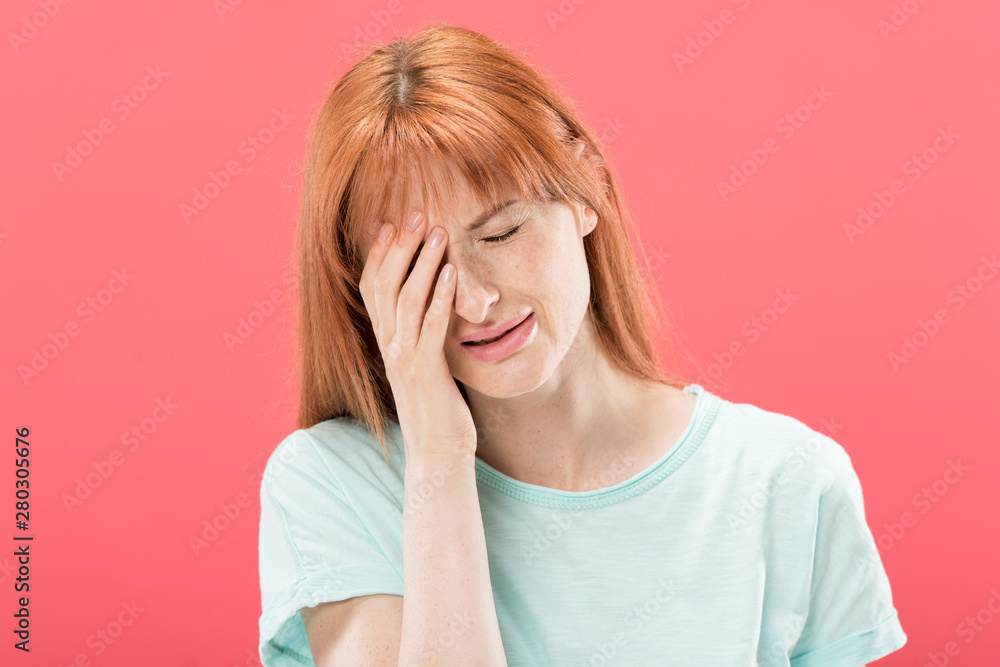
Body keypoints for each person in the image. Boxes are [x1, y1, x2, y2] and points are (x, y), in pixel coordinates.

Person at [257, 21, 907, 666]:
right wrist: (439, 457)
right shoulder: (332, 483)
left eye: (502, 234)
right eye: (422, 270)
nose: (476, 303)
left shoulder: (789, 480)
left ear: (586, 184)